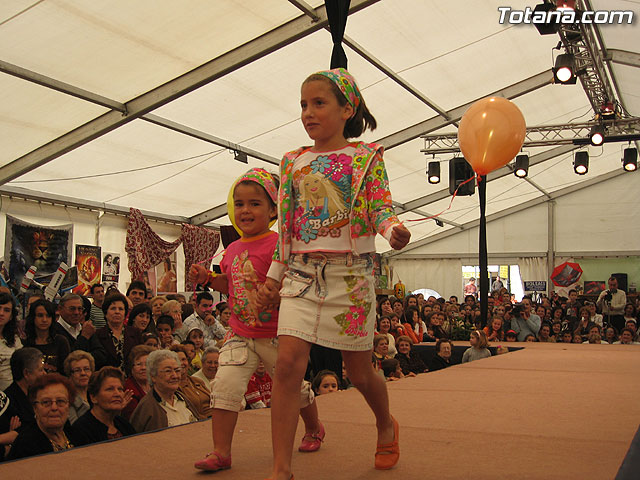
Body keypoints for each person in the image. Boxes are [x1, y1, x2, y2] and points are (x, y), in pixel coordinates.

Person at [254, 68, 411, 477]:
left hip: (351, 278)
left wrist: (392, 230)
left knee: (358, 372)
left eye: (318, 103)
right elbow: (286, 227)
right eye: (303, 105)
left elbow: (380, 207)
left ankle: (384, 423)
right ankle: (280, 469)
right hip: (301, 277)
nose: (308, 113)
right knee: (287, 365)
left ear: (347, 109)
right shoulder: (292, 163)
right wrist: (274, 276)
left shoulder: (367, 157)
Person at [189, 168, 324, 473]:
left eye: (254, 203)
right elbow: (232, 283)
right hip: (239, 333)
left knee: (295, 390)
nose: (245, 210)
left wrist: (280, 296)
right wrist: (209, 278)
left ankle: (314, 428)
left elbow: (301, 283)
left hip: (278, 335)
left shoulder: (281, 245)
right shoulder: (233, 248)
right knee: (224, 386)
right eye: (239, 204)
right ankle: (221, 452)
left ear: (274, 209)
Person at [7, 373, 81, 460]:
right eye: (46, 402)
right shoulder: (25, 445)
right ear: (35, 408)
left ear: (69, 406)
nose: (54, 407)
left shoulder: (76, 435)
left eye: (60, 401)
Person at [129, 349, 198, 432]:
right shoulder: (147, 407)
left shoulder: (182, 398)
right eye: (168, 371)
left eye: (177, 370)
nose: (175, 376)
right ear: (153, 376)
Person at [76, 293, 141, 371]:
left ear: (125, 313)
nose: (117, 312)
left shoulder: (135, 333)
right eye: (113, 308)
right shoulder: (97, 335)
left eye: (121, 309)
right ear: (105, 313)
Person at [72, 367, 136, 445]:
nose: (117, 394)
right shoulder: (81, 429)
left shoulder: (124, 425)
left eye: (120, 389)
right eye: (110, 389)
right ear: (93, 397)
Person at [23, 299, 71, 374]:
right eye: (40, 315)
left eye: (48, 316)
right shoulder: (25, 343)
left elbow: (66, 371)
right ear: (33, 317)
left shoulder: (60, 341)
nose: (44, 320)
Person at [4, 348, 46, 428]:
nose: (45, 373)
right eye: (41, 370)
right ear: (26, 373)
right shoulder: (10, 402)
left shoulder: (36, 393)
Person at [169, 345, 213, 419]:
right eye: (177, 360)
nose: (181, 363)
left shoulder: (197, 381)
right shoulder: (174, 388)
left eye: (184, 359)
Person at [121, 345, 154, 419]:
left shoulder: (155, 384)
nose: (143, 368)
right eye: (139, 364)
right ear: (131, 368)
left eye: (147, 364)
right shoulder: (128, 389)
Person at [64, 350, 95, 424]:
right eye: (77, 370)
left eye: (86, 369)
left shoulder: (95, 394)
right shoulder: (68, 399)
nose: (83, 373)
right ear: (70, 375)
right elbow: (75, 427)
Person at [0, 292, 23, 391]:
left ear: (11, 316)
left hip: (10, 394)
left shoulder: (15, 339)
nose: (1, 313)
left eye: (6, 310)